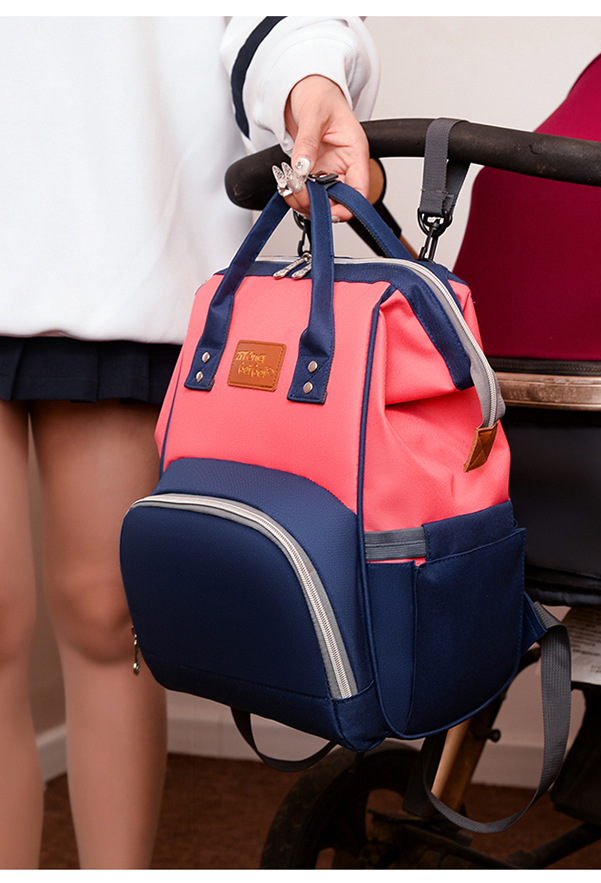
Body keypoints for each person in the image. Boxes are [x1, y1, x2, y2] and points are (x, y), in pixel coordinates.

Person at [0, 16, 378, 870]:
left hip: (118, 226)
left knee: (109, 613)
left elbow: (268, 18)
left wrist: (310, 77)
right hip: (106, 221)